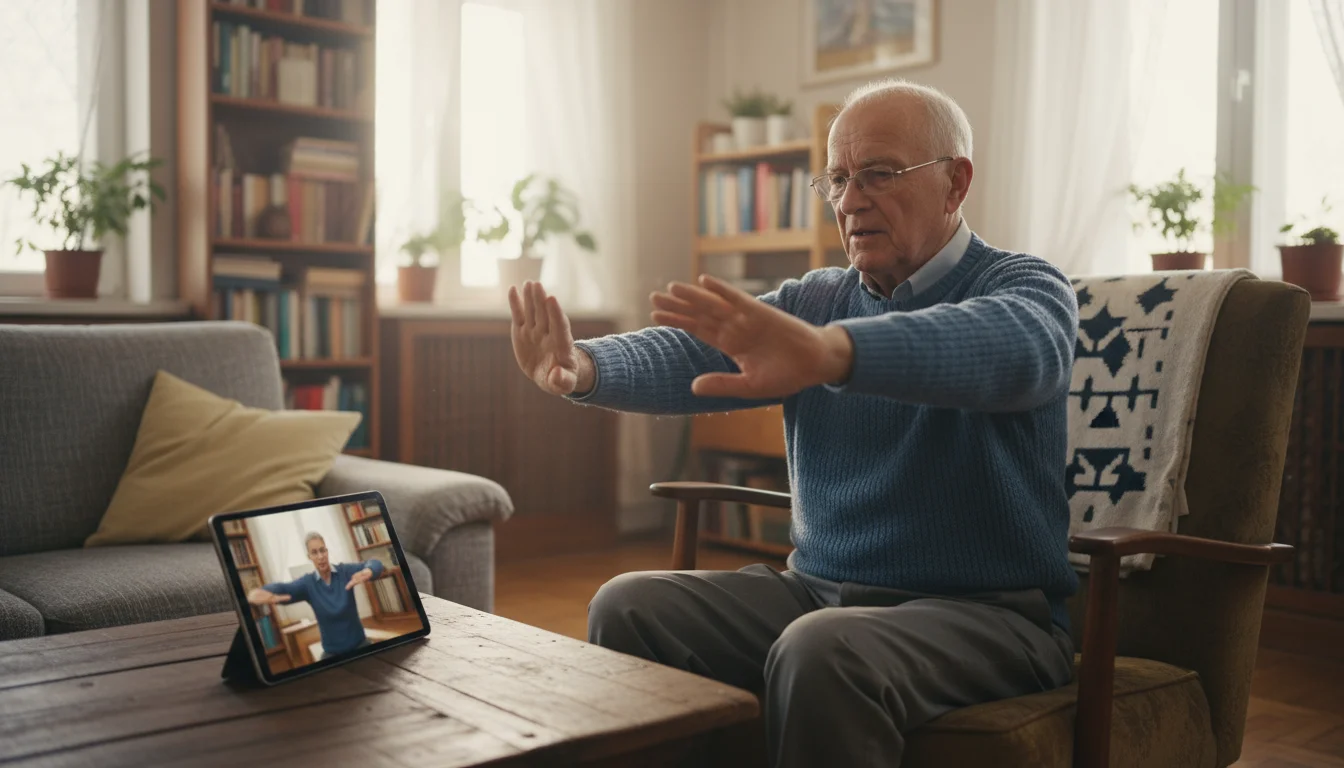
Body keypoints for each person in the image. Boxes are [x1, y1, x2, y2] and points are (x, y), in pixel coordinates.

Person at [508, 78, 1079, 767]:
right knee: (628, 604)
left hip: (987, 614)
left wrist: (832, 353)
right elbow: (699, 350)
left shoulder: (1024, 286)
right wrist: (583, 365)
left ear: (955, 183)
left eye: (878, 174)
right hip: (819, 590)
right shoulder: (818, 298)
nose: (850, 200)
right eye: (836, 179)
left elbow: (1009, 350)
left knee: (824, 647)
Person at [247, 532, 384, 658]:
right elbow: (285, 588)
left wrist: (369, 570)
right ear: (309, 557)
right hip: (332, 653)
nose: (320, 556)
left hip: (360, 644)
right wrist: (264, 591)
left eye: (322, 550)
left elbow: (375, 563)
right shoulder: (307, 583)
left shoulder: (345, 571)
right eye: (314, 552)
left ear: (327, 551)